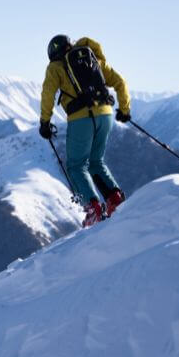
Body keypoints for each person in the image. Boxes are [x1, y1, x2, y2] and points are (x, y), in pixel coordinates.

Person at [38, 35, 131, 227]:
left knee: (76, 165)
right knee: (96, 162)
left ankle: (94, 209)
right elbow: (120, 82)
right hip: (105, 114)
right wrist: (124, 109)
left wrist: (45, 122)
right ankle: (115, 199)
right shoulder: (93, 60)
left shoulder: (56, 67)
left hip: (81, 118)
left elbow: (48, 93)